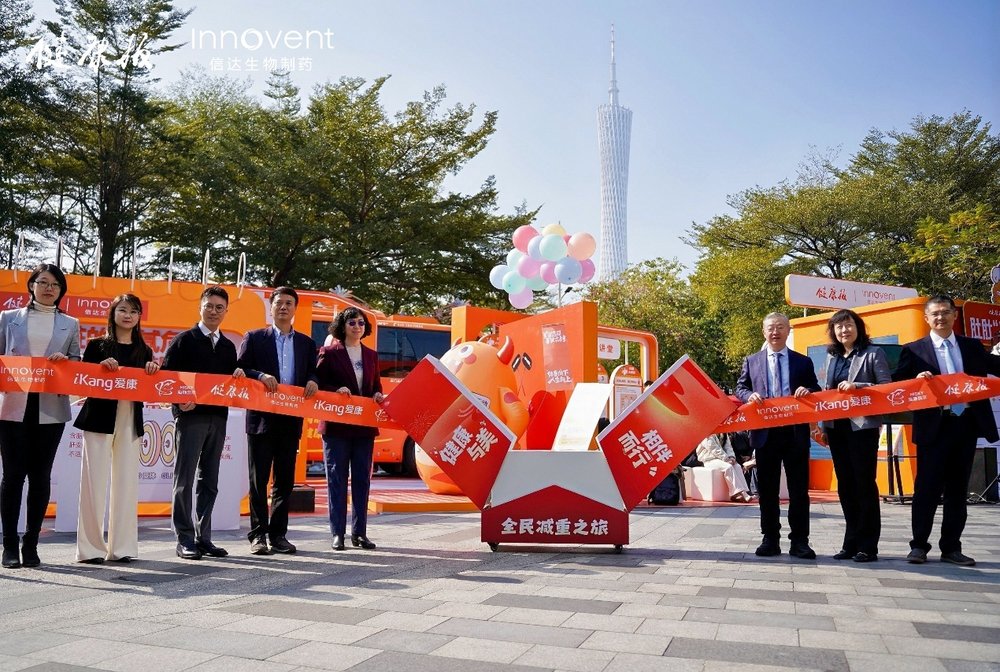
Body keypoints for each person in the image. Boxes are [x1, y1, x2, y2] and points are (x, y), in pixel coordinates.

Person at [894, 295, 1000, 566]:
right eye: (935, 314)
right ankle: (919, 546)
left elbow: (995, 367)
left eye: (945, 312)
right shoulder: (914, 350)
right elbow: (896, 383)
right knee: (926, 488)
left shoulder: (972, 346)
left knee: (958, 490)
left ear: (954, 315)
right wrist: (915, 380)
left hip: (966, 425)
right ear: (926, 319)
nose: (940, 317)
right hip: (934, 427)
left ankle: (951, 547)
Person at [0, 264, 81, 569]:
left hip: (51, 407)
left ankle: (31, 543)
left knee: (40, 476)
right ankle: (9, 544)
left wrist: (66, 362)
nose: (49, 288)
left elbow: (76, 361)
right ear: (31, 285)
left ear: (61, 291)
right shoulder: (8, 318)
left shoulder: (70, 323)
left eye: (55, 284)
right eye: (43, 282)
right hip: (12, 404)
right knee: (12, 476)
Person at [74, 293, 159, 564]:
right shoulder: (96, 345)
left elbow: (150, 388)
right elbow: (82, 381)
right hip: (98, 417)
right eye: (122, 310)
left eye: (133, 311)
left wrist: (152, 371)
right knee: (93, 484)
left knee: (126, 484)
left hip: (130, 418)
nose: (128, 315)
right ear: (112, 313)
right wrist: (99, 369)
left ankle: (122, 548)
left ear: (139, 317)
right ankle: (90, 550)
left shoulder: (144, 351)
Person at [162, 286, 244, 560]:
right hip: (190, 418)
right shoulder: (184, 340)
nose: (213, 311)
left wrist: (238, 375)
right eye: (209, 306)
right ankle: (184, 538)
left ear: (226, 312)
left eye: (219, 308)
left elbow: (229, 383)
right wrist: (178, 403)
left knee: (210, 480)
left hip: (218, 419)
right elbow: (166, 377)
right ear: (200, 307)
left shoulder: (228, 346)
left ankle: (203, 537)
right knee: (184, 479)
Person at [236, 287, 318, 556]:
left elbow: (313, 372)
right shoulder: (254, 338)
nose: (283, 307)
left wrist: (312, 381)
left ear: (295, 308)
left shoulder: (306, 343)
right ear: (270, 307)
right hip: (260, 420)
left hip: (290, 420)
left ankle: (279, 535)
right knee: (258, 480)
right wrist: (260, 375)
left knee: (284, 482)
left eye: (289, 303)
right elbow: (240, 368)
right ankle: (258, 535)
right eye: (279, 303)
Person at [735, 312, 820, 559]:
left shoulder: (802, 362)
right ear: (764, 332)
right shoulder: (752, 361)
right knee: (768, 490)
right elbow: (741, 387)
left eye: (780, 327)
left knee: (799, 491)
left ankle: (800, 541)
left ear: (788, 330)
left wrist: (808, 390)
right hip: (765, 434)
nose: (775, 332)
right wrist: (749, 395)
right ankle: (770, 539)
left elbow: (815, 388)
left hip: (795, 433)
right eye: (771, 328)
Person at [819, 309, 890, 563]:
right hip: (837, 428)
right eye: (838, 327)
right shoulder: (832, 356)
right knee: (846, 485)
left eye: (848, 325)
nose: (844, 330)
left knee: (864, 484)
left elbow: (885, 388)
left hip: (862, 428)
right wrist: (823, 426)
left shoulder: (873, 353)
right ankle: (850, 542)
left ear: (858, 327)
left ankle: (868, 545)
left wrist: (857, 387)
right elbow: (827, 392)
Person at [316, 308, 384, 551]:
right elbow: (317, 383)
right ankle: (337, 533)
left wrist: (378, 394)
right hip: (336, 427)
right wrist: (335, 390)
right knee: (336, 479)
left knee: (362, 480)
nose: (357, 327)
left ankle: (359, 533)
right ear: (342, 326)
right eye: (352, 322)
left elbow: (376, 386)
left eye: (361, 323)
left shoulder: (371, 355)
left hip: (364, 426)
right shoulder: (329, 352)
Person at [694, 434, 753, 502]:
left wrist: (732, 457)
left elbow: (728, 447)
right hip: (709, 460)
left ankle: (745, 491)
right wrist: (726, 459)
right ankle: (740, 493)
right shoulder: (706, 434)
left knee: (737, 466)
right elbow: (713, 448)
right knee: (728, 467)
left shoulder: (724, 434)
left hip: (721, 459)